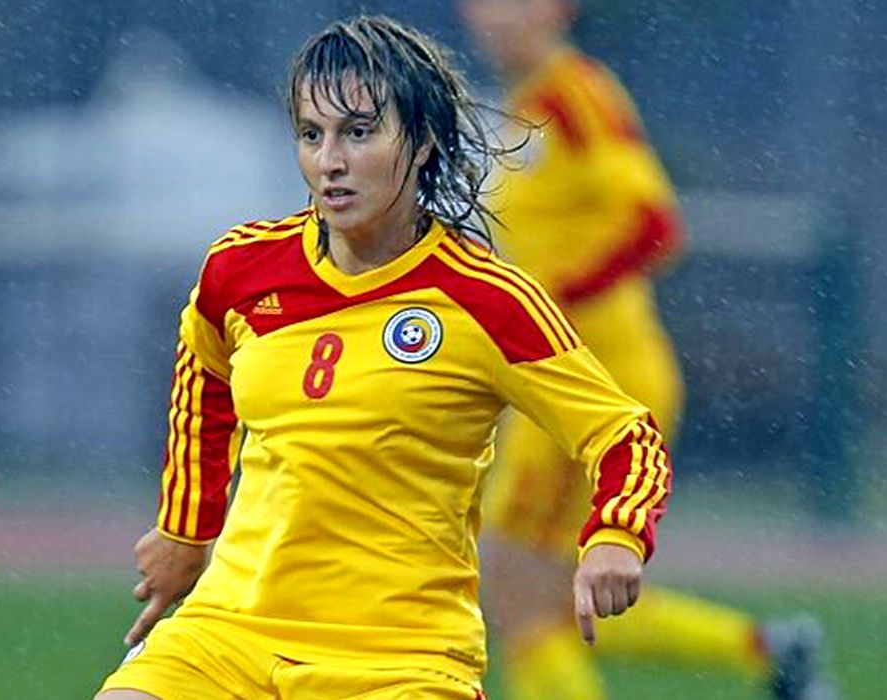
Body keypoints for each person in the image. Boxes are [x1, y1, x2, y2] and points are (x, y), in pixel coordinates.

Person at [95, 15, 672, 700]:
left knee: (524, 596)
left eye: (359, 132)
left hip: (398, 660)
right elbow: (203, 373)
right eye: (312, 134)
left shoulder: (486, 299)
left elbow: (624, 434)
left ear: (422, 141)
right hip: (227, 637)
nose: (330, 160)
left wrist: (616, 533)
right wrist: (187, 532)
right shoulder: (241, 269)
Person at [456, 1, 836, 699]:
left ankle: (774, 655)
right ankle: (771, 652)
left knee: (513, 586)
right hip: (560, 388)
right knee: (550, 593)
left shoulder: (576, 96)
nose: (495, 17)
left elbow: (654, 225)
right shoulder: (522, 105)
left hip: (594, 391)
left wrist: (547, 302)